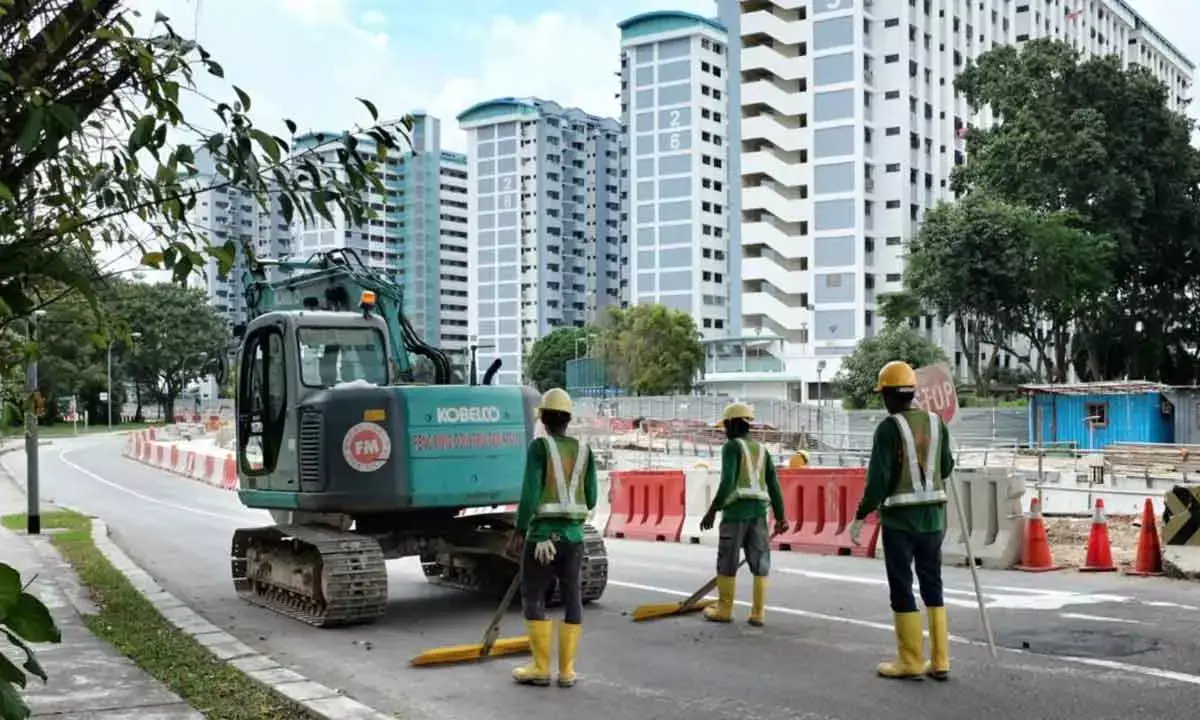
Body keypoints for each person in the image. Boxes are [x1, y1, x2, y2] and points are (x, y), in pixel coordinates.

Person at [848, 360, 954, 681]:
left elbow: (878, 480)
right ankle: (940, 660)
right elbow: (947, 467)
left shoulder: (888, 428)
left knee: (902, 586)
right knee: (932, 584)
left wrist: (860, 515)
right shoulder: (937, 424)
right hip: (934, 519)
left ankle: (910, 660)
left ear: (890, 396)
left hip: (900, 523)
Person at [507, 388, 597, 688]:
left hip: (542, 539)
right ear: (568, 419)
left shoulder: (539, 447)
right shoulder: (584, 451)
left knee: (534, 597)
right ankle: (567, 671)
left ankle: (541, 667)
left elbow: (530, 493)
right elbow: (593, 497)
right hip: (573, 537)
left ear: (543, 419)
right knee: (572, 596)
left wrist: (519, 531)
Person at [699, 402, 789, 626]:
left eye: (726, 426)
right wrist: (781, 517)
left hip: (735, 513)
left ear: (732, 424)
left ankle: (725, 609)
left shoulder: (731, 447)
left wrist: (712, 510)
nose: (724, 431)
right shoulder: (762, 450)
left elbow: (727, 482)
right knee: (760, 562)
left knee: (727, 560)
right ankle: (758, 613)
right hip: (759, 514)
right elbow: (774, 486)